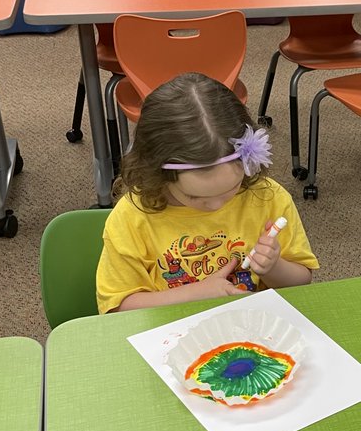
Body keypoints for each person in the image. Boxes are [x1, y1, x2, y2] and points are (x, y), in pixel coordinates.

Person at [96, 73, 318, 313]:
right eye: (195, 197)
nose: (216, 205)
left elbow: (301, 282)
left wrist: (274, 267)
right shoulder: (133, 217)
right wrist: (195, 294)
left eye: (231, 188)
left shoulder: (268, 198)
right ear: (157, 174)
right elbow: (117, 309)